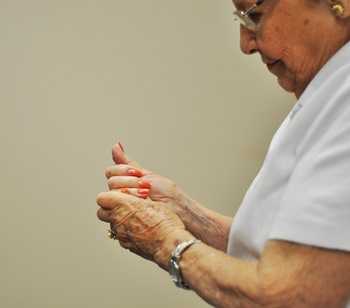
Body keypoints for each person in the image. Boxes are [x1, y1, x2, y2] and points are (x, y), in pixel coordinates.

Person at [96, 0, 350, 306]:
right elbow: (288, 252)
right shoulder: (330, 89)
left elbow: (290, 297)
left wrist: (167, 242)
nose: (246, 43)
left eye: (254, 15)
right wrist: (184, 211)